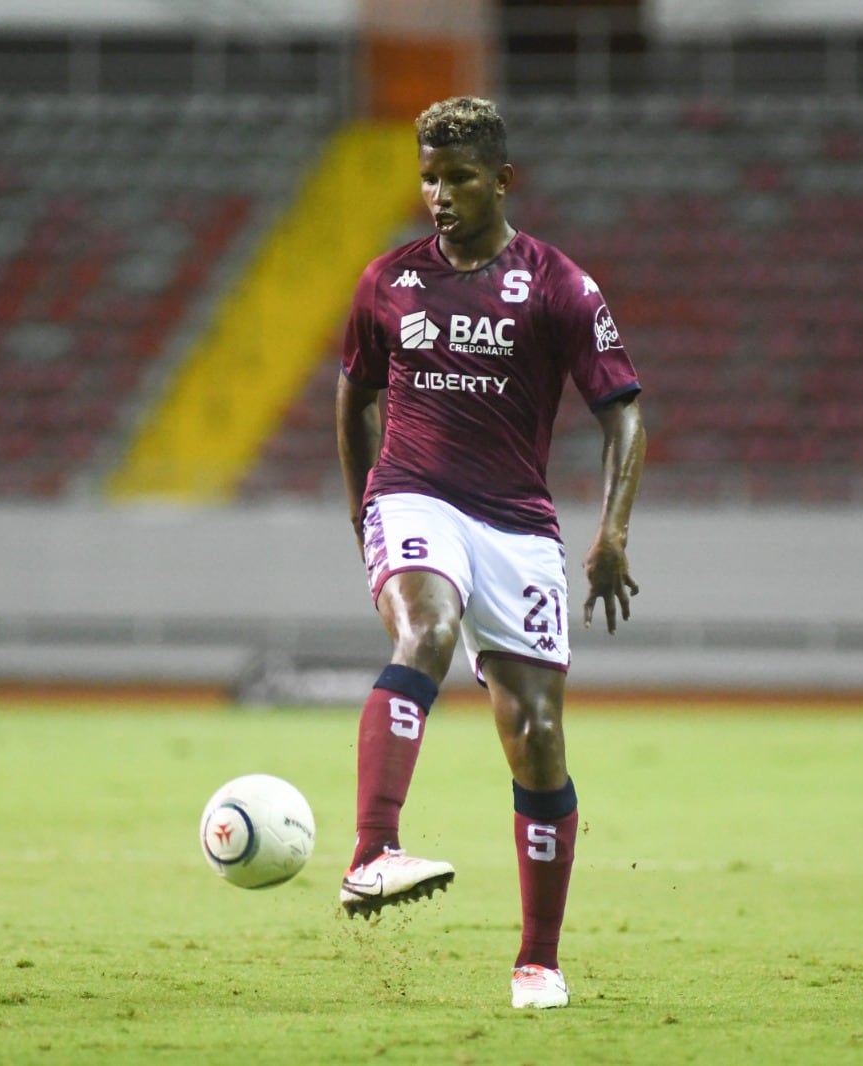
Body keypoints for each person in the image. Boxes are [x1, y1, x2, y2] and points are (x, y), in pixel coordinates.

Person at [334, 96, 646, 1011]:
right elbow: (355, 398)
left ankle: (538, 963)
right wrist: (365, 510)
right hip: (415, 494)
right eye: (428, 177)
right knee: (425, 630)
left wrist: (613, 532)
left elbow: (624, 415)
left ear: (502, 180)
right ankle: (373, 850)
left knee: (538, 739)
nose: (438, 194)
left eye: (458, 178)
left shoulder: (558, 286)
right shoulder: (387, 282)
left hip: (517, 525)